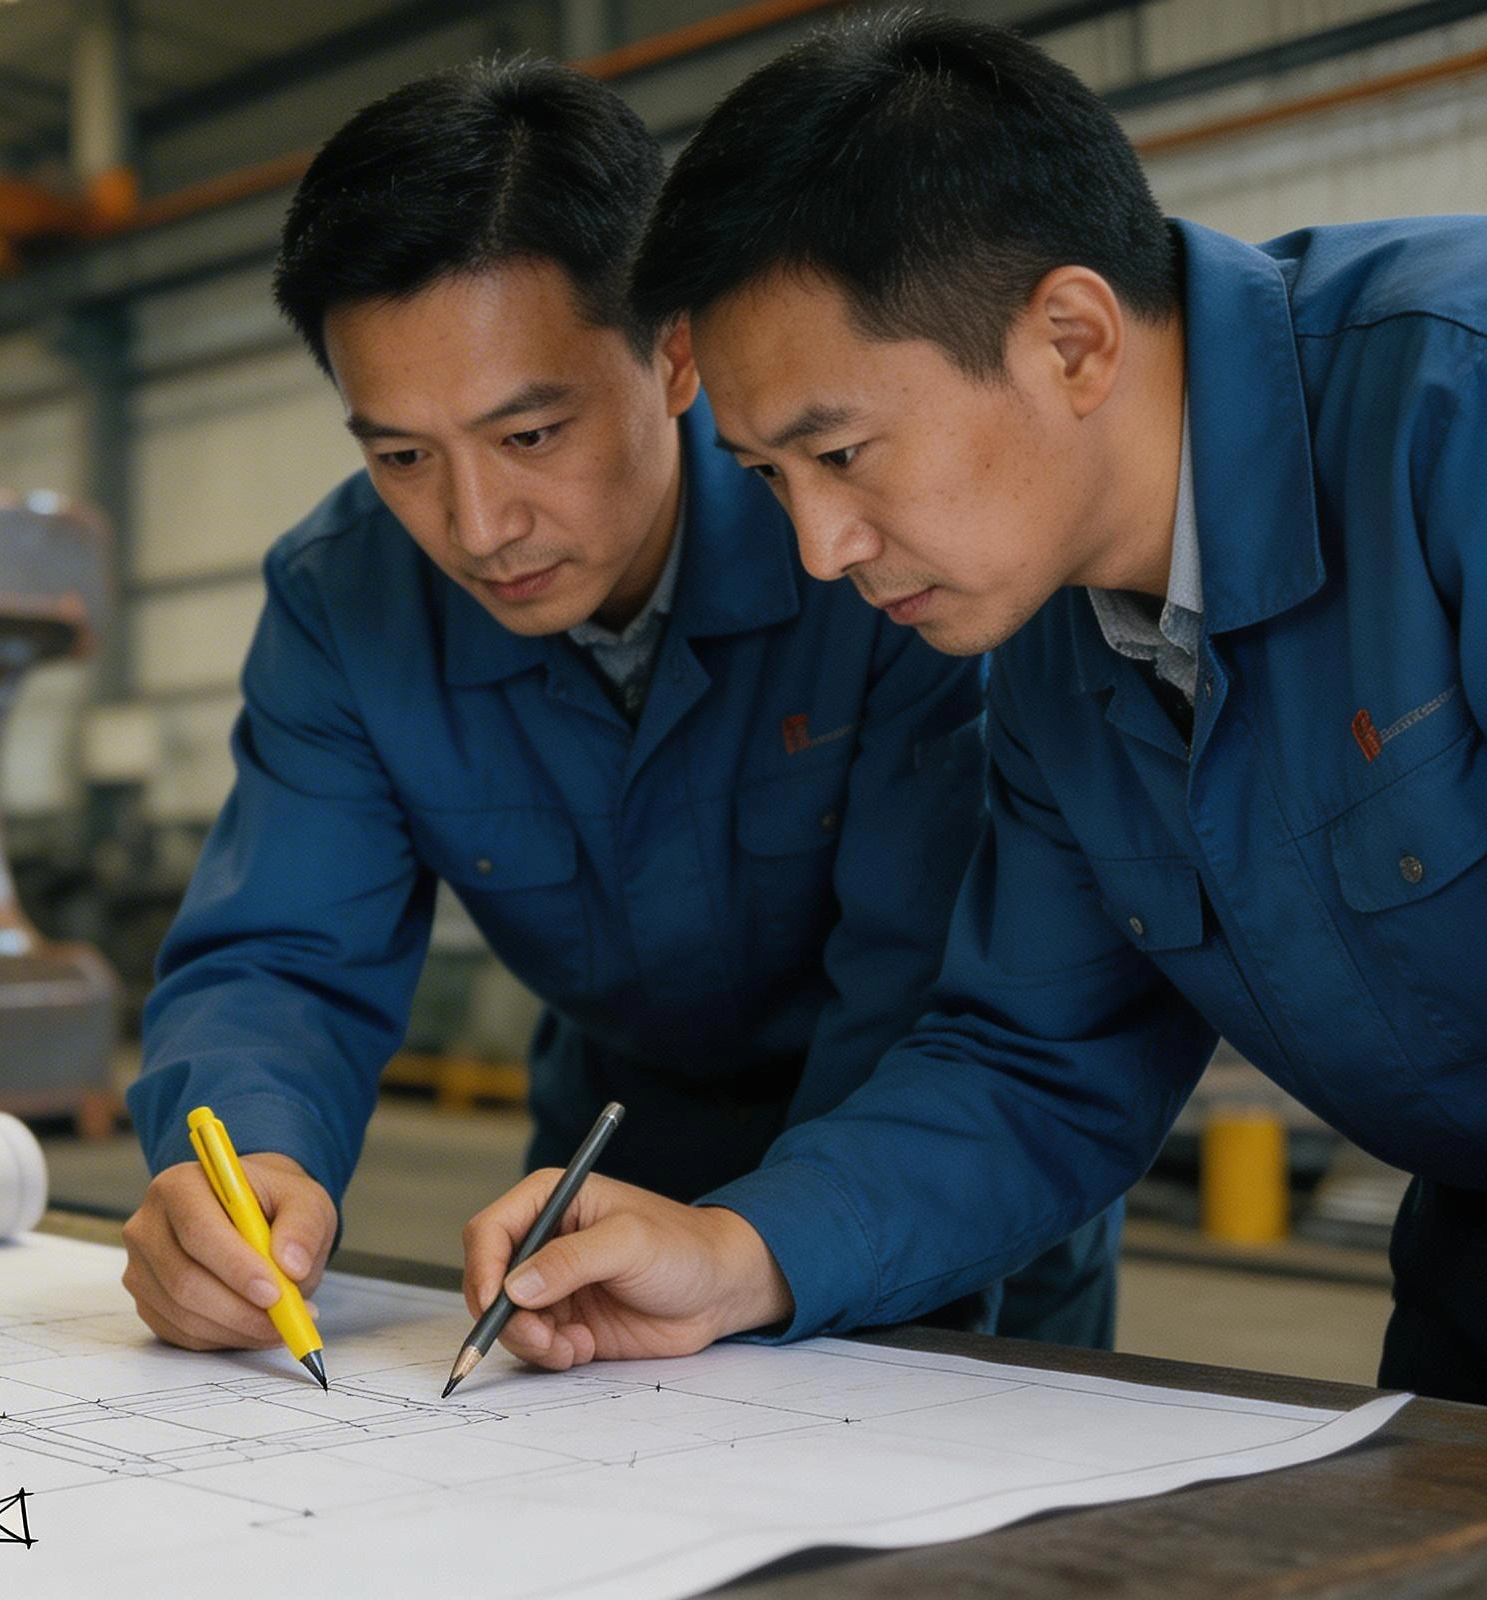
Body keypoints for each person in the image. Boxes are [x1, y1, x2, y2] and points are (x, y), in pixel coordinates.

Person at [457, 10, 1487, 1404]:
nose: (819, 549)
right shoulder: (1060, 647)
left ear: (1070, 339)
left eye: (842, 452)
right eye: (769, 477)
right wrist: (737, 1246)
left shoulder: (1453, 416)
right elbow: (1035, 1065)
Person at [119, 56, 1120, 1360]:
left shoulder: (869, 549)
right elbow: (281, 954)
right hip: (602, 1181)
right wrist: (242, 1162)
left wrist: (773, 1249)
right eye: (402, 456)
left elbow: (937, 992)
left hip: (930, 1179)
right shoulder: (344, 602)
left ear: (676, 356)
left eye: (531, 435)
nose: (478, 527)